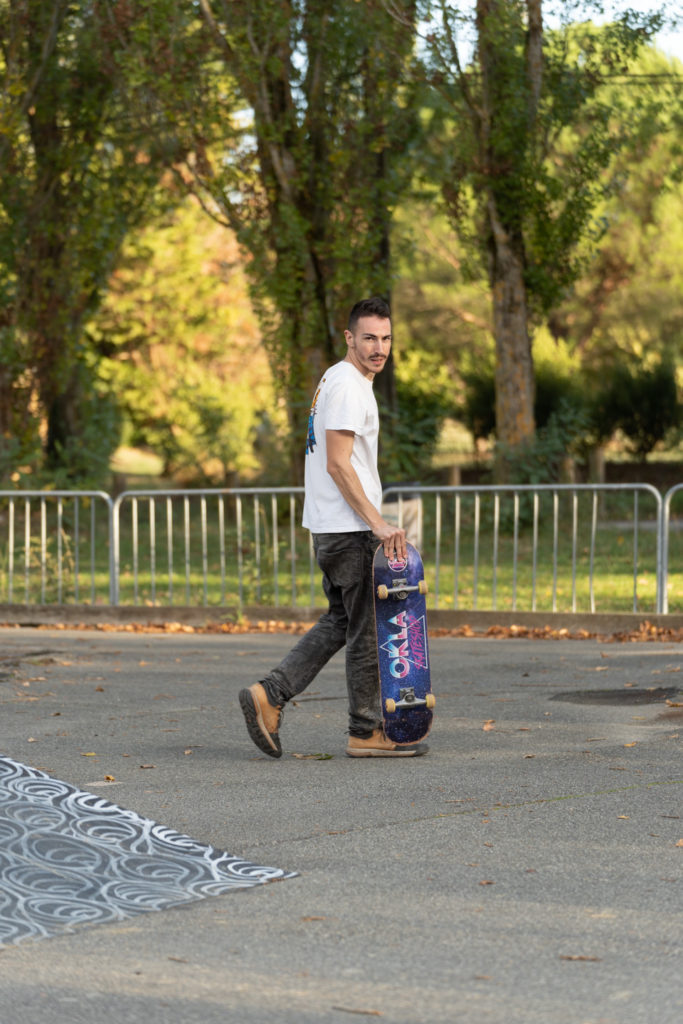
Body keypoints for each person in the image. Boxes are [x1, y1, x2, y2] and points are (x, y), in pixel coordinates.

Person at [239, 297, 428, 759]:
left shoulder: (337, 379)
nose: (379, 348)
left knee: (342, 621)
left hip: (332, 527)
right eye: (369, 338)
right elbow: (339, 464)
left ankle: (271, 694)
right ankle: (365, 731)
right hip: (350, 529)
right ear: (349, 338)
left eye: (385, 338)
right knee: (364, 632)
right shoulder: (348, 386)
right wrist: (378, 523)